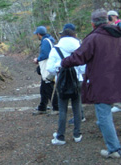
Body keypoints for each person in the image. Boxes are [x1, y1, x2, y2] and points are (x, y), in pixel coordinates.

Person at [60, 9, 121, 158]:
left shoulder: (94, 38)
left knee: (104, 116)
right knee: (104, 117)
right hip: (117, 80)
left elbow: (78, 57)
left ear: (93, 24)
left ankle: (114, 149)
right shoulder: (118, 35)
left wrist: (63, 62)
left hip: (102, 83)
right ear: (107, 20)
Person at [46, 23, 83, 145]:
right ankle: (77, 134)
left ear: (62, 35)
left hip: (61, 83)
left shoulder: (55, 49)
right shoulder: (80, 48)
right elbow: (84, 68)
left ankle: (60, 137)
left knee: (63, 110)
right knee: (77, 108)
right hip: (77, 81)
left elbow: (50, 68)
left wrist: (59, 69)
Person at [32, 26, 58, 115]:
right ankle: (42, 107)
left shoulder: (45, 42)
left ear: (39, 34)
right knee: (43, 88)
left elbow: (45, 54)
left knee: (48, 87)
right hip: (48, 67)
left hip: (47, 68)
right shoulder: (49, 40)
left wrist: (37, 59)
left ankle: (56, 107)